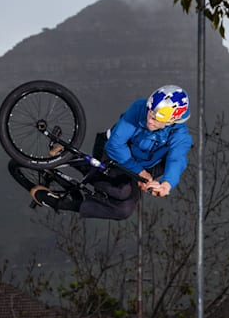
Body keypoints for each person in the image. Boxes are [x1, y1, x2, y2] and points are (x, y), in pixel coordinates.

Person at [31, 84, 192, 220]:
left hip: (139, 168)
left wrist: (166, 185)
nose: (150, 119)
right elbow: (115, 145)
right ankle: (67, 157)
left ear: (172, 121)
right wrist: (140, 172)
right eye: (150, 112)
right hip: (111, 151)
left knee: (123, 211)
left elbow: (176, 159)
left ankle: (57, 202)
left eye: (156, 119)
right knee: (121, 191)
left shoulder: (180, 136)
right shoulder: (138, 109)